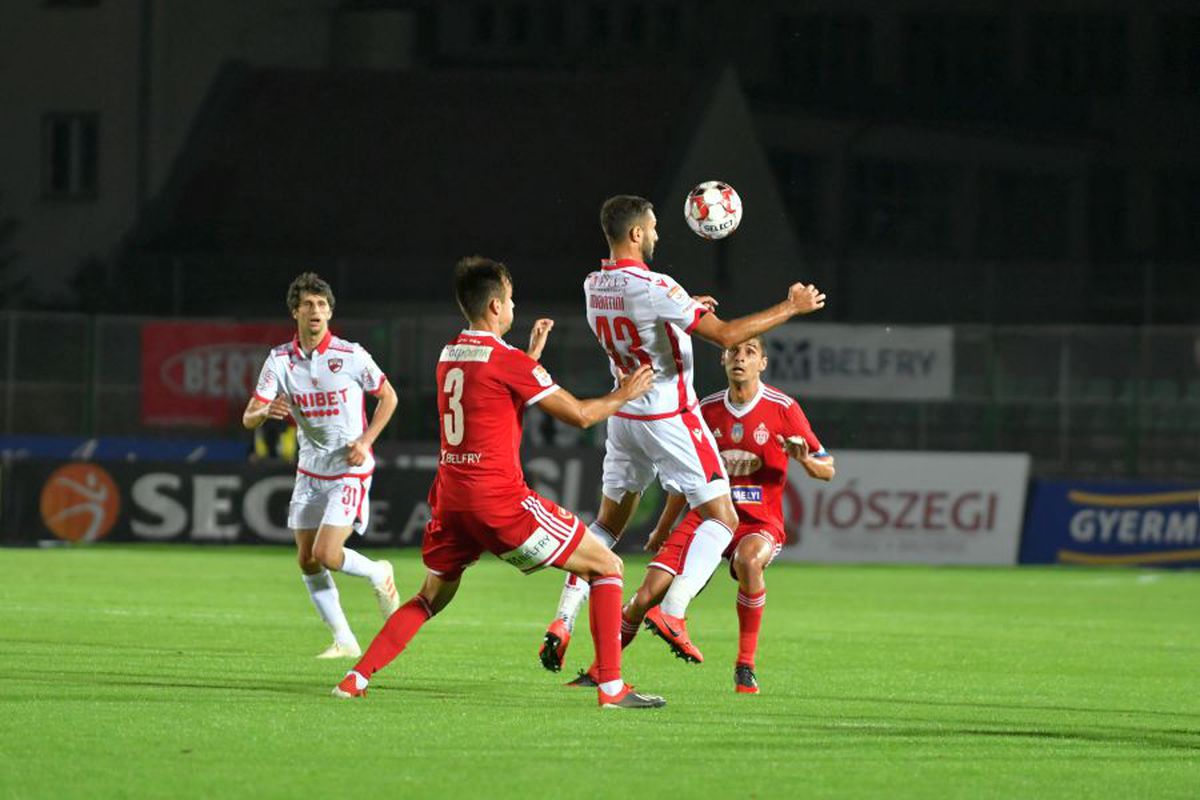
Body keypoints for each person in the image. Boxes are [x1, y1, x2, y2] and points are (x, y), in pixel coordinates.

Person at [332, 256, 665, 709]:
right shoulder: (507, 362)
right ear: (494, 306)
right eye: (510, 299)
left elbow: (489, 395)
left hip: (451, 501)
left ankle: (355, 678)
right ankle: (612, 689)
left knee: (429, 597)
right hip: (499, 501)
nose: (514, 305)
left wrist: (529, 359)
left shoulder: (449, 352)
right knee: (606, 566)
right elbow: (582, 416)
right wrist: (625, 393)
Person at [538, 194, 827, 672]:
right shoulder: (657, 285)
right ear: (635, 234)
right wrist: (790, 307)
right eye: (651, 228)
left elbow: (639, 317)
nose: (656, 235)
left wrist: (683, 305)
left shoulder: (594, 284)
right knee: (723, 517)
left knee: (607, 526)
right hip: (668, 416)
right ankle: (673, 612)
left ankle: (562, 619)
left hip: (624, 414)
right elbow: (728, 333)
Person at [566, 336, 834, 694]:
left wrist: (802, 458)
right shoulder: (703, 410)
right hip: (707, 517)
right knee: (645, 596)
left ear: (763, 363)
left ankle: (745, 665)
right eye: (733, 351)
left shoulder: (783, 408)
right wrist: (662, 528)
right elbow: (683, 478)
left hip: (757, 523)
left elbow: (827, 469)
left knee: (749, 562)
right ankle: (603, 669)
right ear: (723, 359)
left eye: (750, 352)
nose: (740, 358)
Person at [243, 272, 400, 659]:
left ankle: (379, 573)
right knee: (307, 558)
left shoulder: (350, 355)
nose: (316, 311)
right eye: (309, 304)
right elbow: (248, 417)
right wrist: (265, 410)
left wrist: (365, 441)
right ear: (295, 311)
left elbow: (389, 397)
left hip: (349, 466)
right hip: (310, 470)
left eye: (322, 305)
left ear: (330, 312)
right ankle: (344, 640)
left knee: (329, 553)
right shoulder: (279, 360)